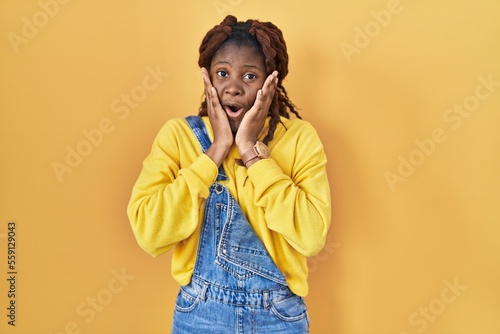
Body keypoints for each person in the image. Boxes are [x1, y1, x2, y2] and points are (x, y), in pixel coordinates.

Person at [127, 15, 331, 333]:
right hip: (200, 314)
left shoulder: (299, 138)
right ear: (207, 78)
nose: (233, 88)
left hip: (277, 317)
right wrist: (215, 152)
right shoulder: (178, 136)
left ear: (270, 83)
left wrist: (251, 152)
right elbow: (150, 235)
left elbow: (311, 236)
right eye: (222, 73)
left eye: (249, 76)